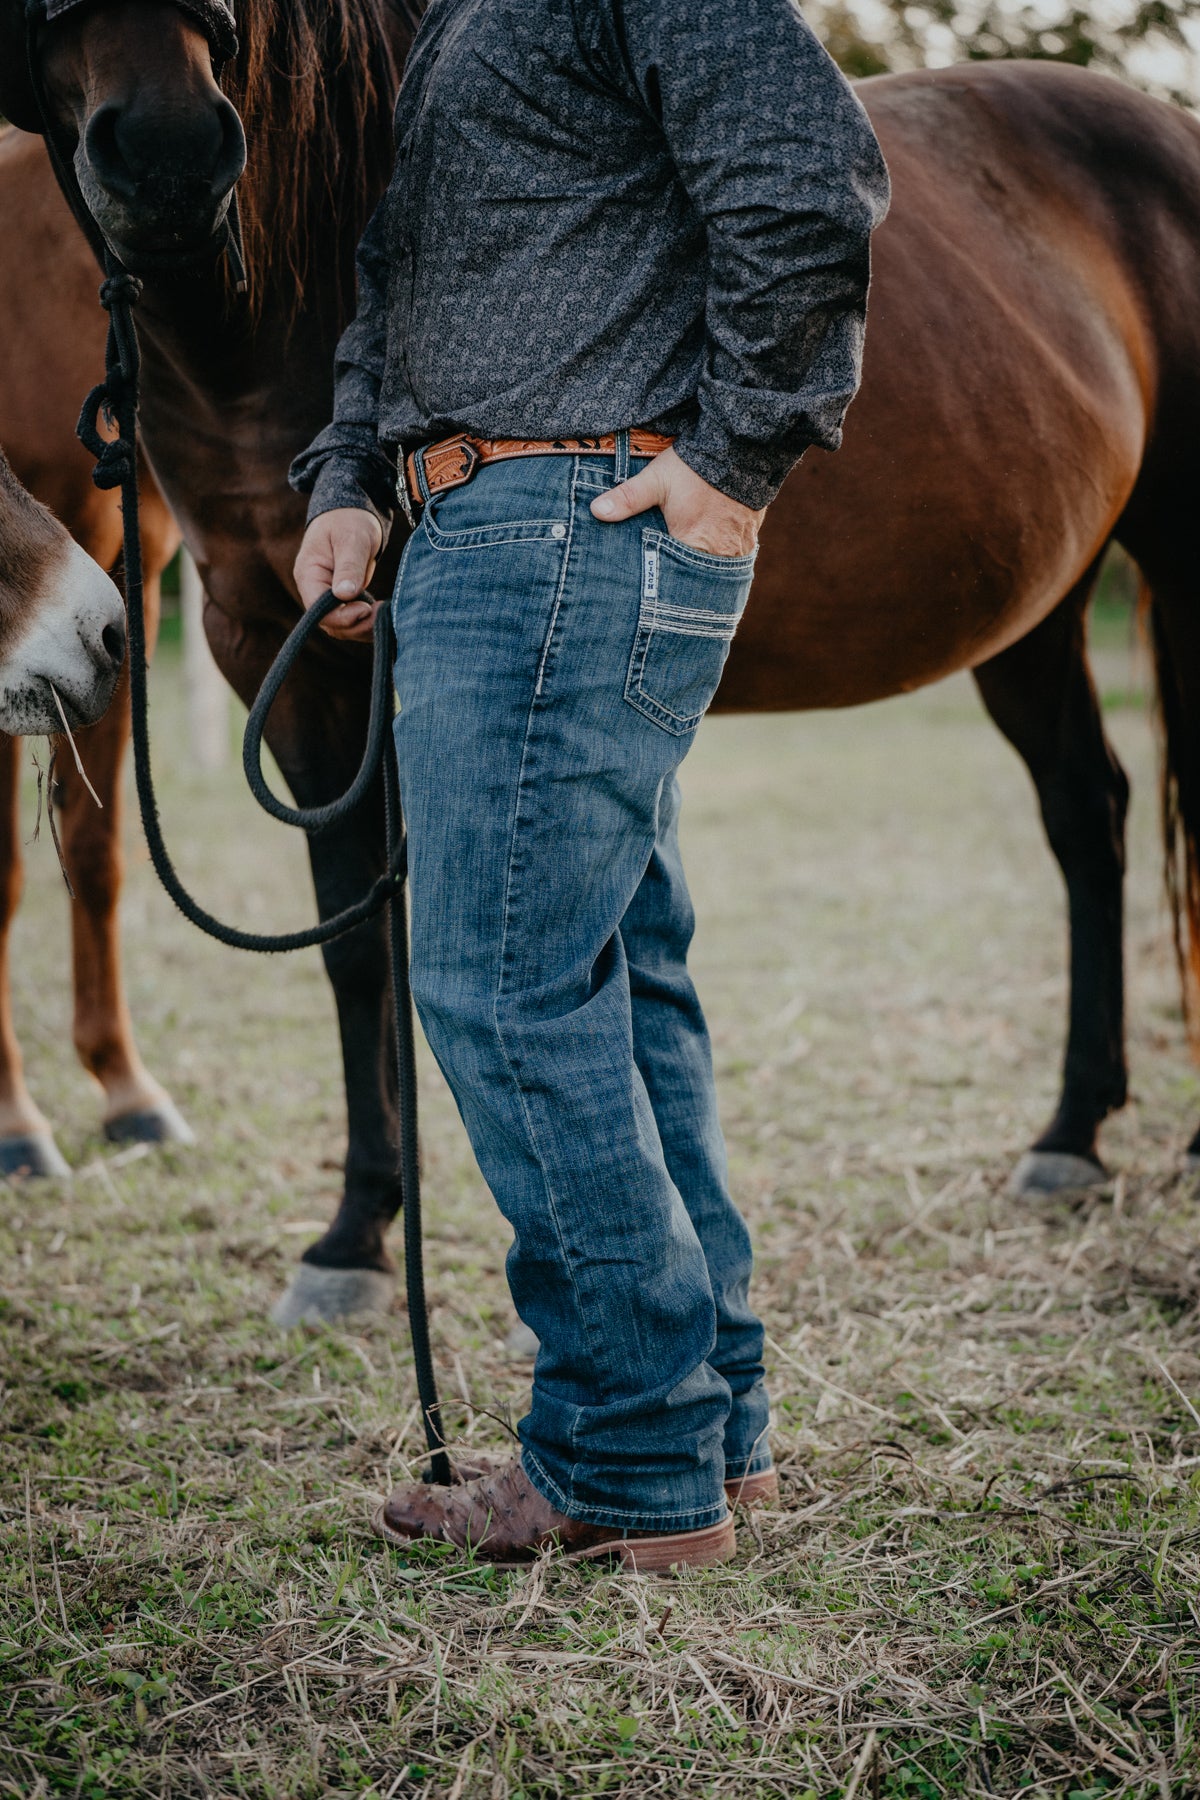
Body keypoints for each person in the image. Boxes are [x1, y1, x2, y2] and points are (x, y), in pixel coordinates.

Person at [290, 0, 889, 1570]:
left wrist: (739, 452)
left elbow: (807, 173)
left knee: (506, 984)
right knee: (616, 987)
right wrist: (355, 479)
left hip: (568, 524)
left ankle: (628, 1451)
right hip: (488, 530)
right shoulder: (454, 23)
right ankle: (712, 1424)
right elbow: (396, 284)